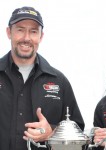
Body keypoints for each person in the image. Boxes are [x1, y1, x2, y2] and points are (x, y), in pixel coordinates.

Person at [0, 6, 85, 150]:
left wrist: (51, 132)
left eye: (33, 31)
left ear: (41, 36)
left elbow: (78, 134)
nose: (26, 38)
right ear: (9, 32)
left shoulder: (59, 81)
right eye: (20, 30)